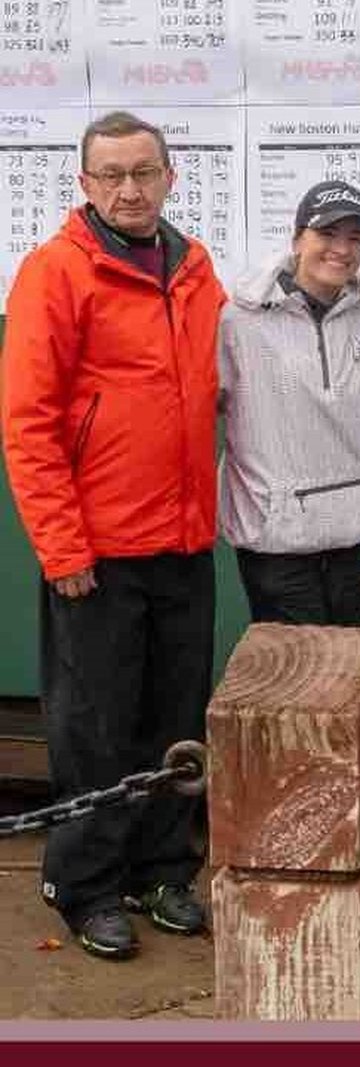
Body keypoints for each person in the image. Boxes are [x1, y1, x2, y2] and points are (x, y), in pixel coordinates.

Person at [1, 111, 226, 959]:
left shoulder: (197, 269)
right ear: (86, 184)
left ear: (170, 175)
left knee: (174, 721)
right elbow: (28, 423)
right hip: (95, 557)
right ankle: (86, 884)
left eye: (144, 172)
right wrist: (62, 549)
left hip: (183, 545)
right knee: (93, 730)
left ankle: (163, 868)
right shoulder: (55, 273)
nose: (129, 189)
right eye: (111, 175)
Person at [219, 180, 360, 624]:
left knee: (350, 672)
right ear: (298, 237)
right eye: (327, 234)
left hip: (357, 528)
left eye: (355, 238)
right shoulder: (239, 319)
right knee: (292, 679)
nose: (341, 248)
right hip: (274, 533)